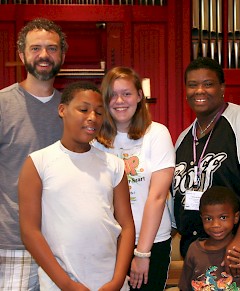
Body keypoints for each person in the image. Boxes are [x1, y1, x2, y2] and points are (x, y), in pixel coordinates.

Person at [18, 81, 135, 291]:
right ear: (62, 110)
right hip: (60, 284)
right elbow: (30, 231)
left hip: (109, 282)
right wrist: (67, 284)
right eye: (83, 109)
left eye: (99, 113)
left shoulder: (114, 165)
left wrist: (117, 281)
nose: (92, 117)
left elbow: (126, 226)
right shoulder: (38, 163)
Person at [172, 57, 240, 272]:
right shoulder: (183, 138)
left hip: (235, 254)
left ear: (222, 88)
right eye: (192, 85)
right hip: (195, 254)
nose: (199, 90)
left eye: (208, 84)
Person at [92, 66, 175, 290]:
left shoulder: (156, 134)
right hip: (109, 242)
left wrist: (142, 253)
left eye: (127, 93)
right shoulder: (95, 140)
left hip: (150, 242)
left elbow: (157, 197)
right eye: (113, 94)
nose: (120, 101)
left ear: (139, 95)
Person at [0, 18, 68, 290]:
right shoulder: (3, 105)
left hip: (64, 243)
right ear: (21, 55)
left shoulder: (74, 109)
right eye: (35, 48)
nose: (44, 55)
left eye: (51, 48)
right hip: (13, 244)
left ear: (62, 54)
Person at [179, 186, 240, 291]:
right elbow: (185, 287)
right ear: (201, 218)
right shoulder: (194, 250)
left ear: (236, 217)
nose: (215, 225)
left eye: (223, 217)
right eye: (208, 218)